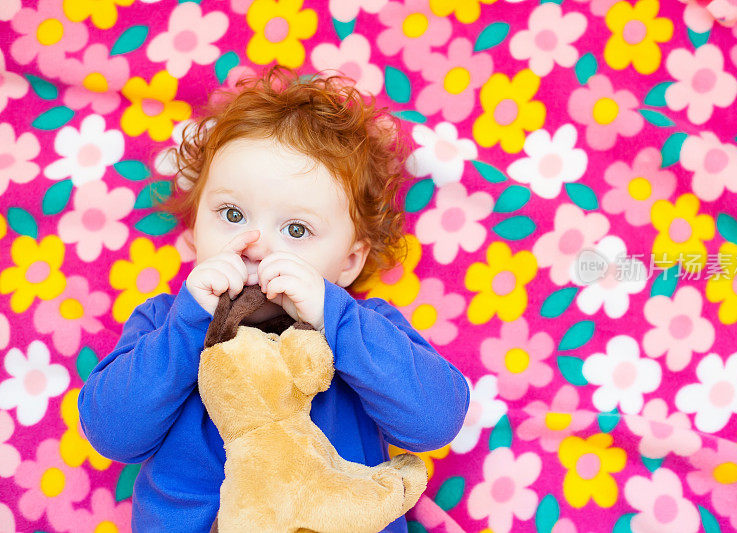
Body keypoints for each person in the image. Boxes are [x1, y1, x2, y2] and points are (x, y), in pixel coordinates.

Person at [77, 65, 471, 533]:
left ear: (349, 263)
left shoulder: (364, 327)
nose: (258, 244)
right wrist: (187, 326)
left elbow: (436, 421)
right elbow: (113, 434)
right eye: (232, 213)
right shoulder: (164, 321)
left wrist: (336, 320)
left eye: (297, 229)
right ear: (193, 230)